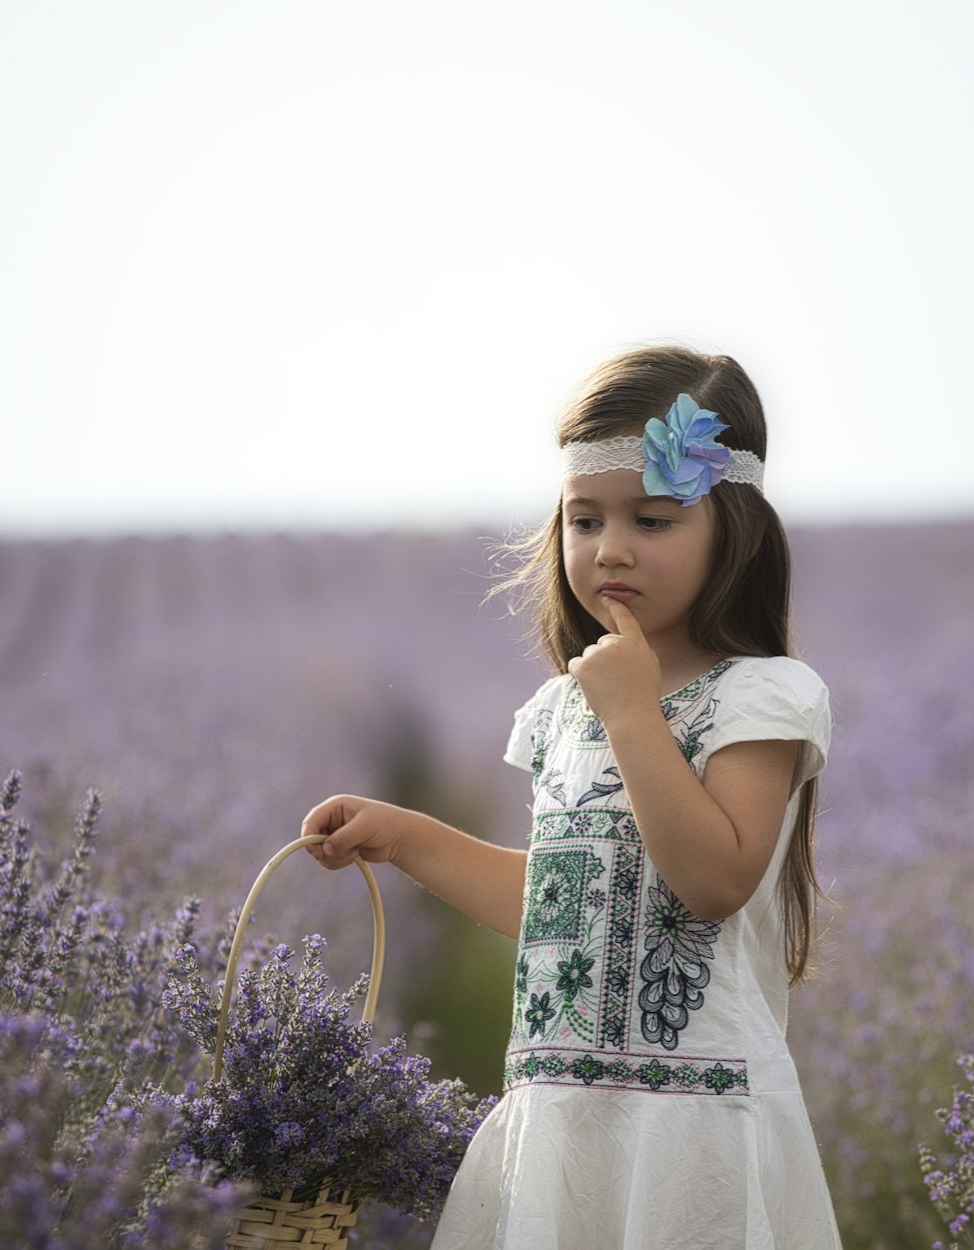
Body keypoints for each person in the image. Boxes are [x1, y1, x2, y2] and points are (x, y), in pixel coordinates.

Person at [302, 344, 842, 1248]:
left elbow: (714, 881)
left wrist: (632, 714)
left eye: (654, 520)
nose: (611, 548)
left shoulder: (761, 697)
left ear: (733, 529)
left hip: (693, 1125)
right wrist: (405, 838)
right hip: (563, 1114)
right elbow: (563, 903)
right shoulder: (564, 709)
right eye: (583, 520)